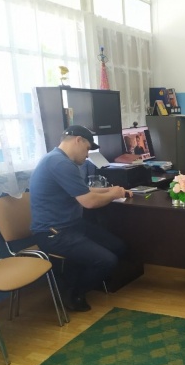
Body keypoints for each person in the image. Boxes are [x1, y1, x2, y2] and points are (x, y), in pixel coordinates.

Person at [29, 125, 133, 312]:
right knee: (107, 261)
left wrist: (110, 190)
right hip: (53, 233)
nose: (87, 155)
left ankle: (74, 277)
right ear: (78, 140)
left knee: (118, 246)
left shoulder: (57, 158)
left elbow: (83, 190)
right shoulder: (60, 163)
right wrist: (113, 195)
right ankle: (73, 293)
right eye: (87, 149)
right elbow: (89, 202)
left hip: (72, 225)